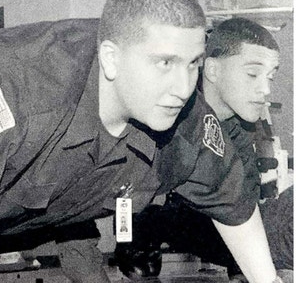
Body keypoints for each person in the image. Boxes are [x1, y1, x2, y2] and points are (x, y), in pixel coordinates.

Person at [0, 0, 282, 283]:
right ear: (112, 59)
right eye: (165, 63)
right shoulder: (7, 97)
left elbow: (234, 207)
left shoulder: (188, 122)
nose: (183, 87)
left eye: (192, 64)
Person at [115, 17, 293, 282]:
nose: (266, 88)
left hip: (201, 211)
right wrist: (125, 235)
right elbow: (119, 190)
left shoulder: (239, 131)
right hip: (136, 202)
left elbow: (243, 203)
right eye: (253, 74)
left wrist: (245, 267)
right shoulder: (164, 110)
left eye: (270, 76)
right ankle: (145, 229)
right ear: (212, 70)